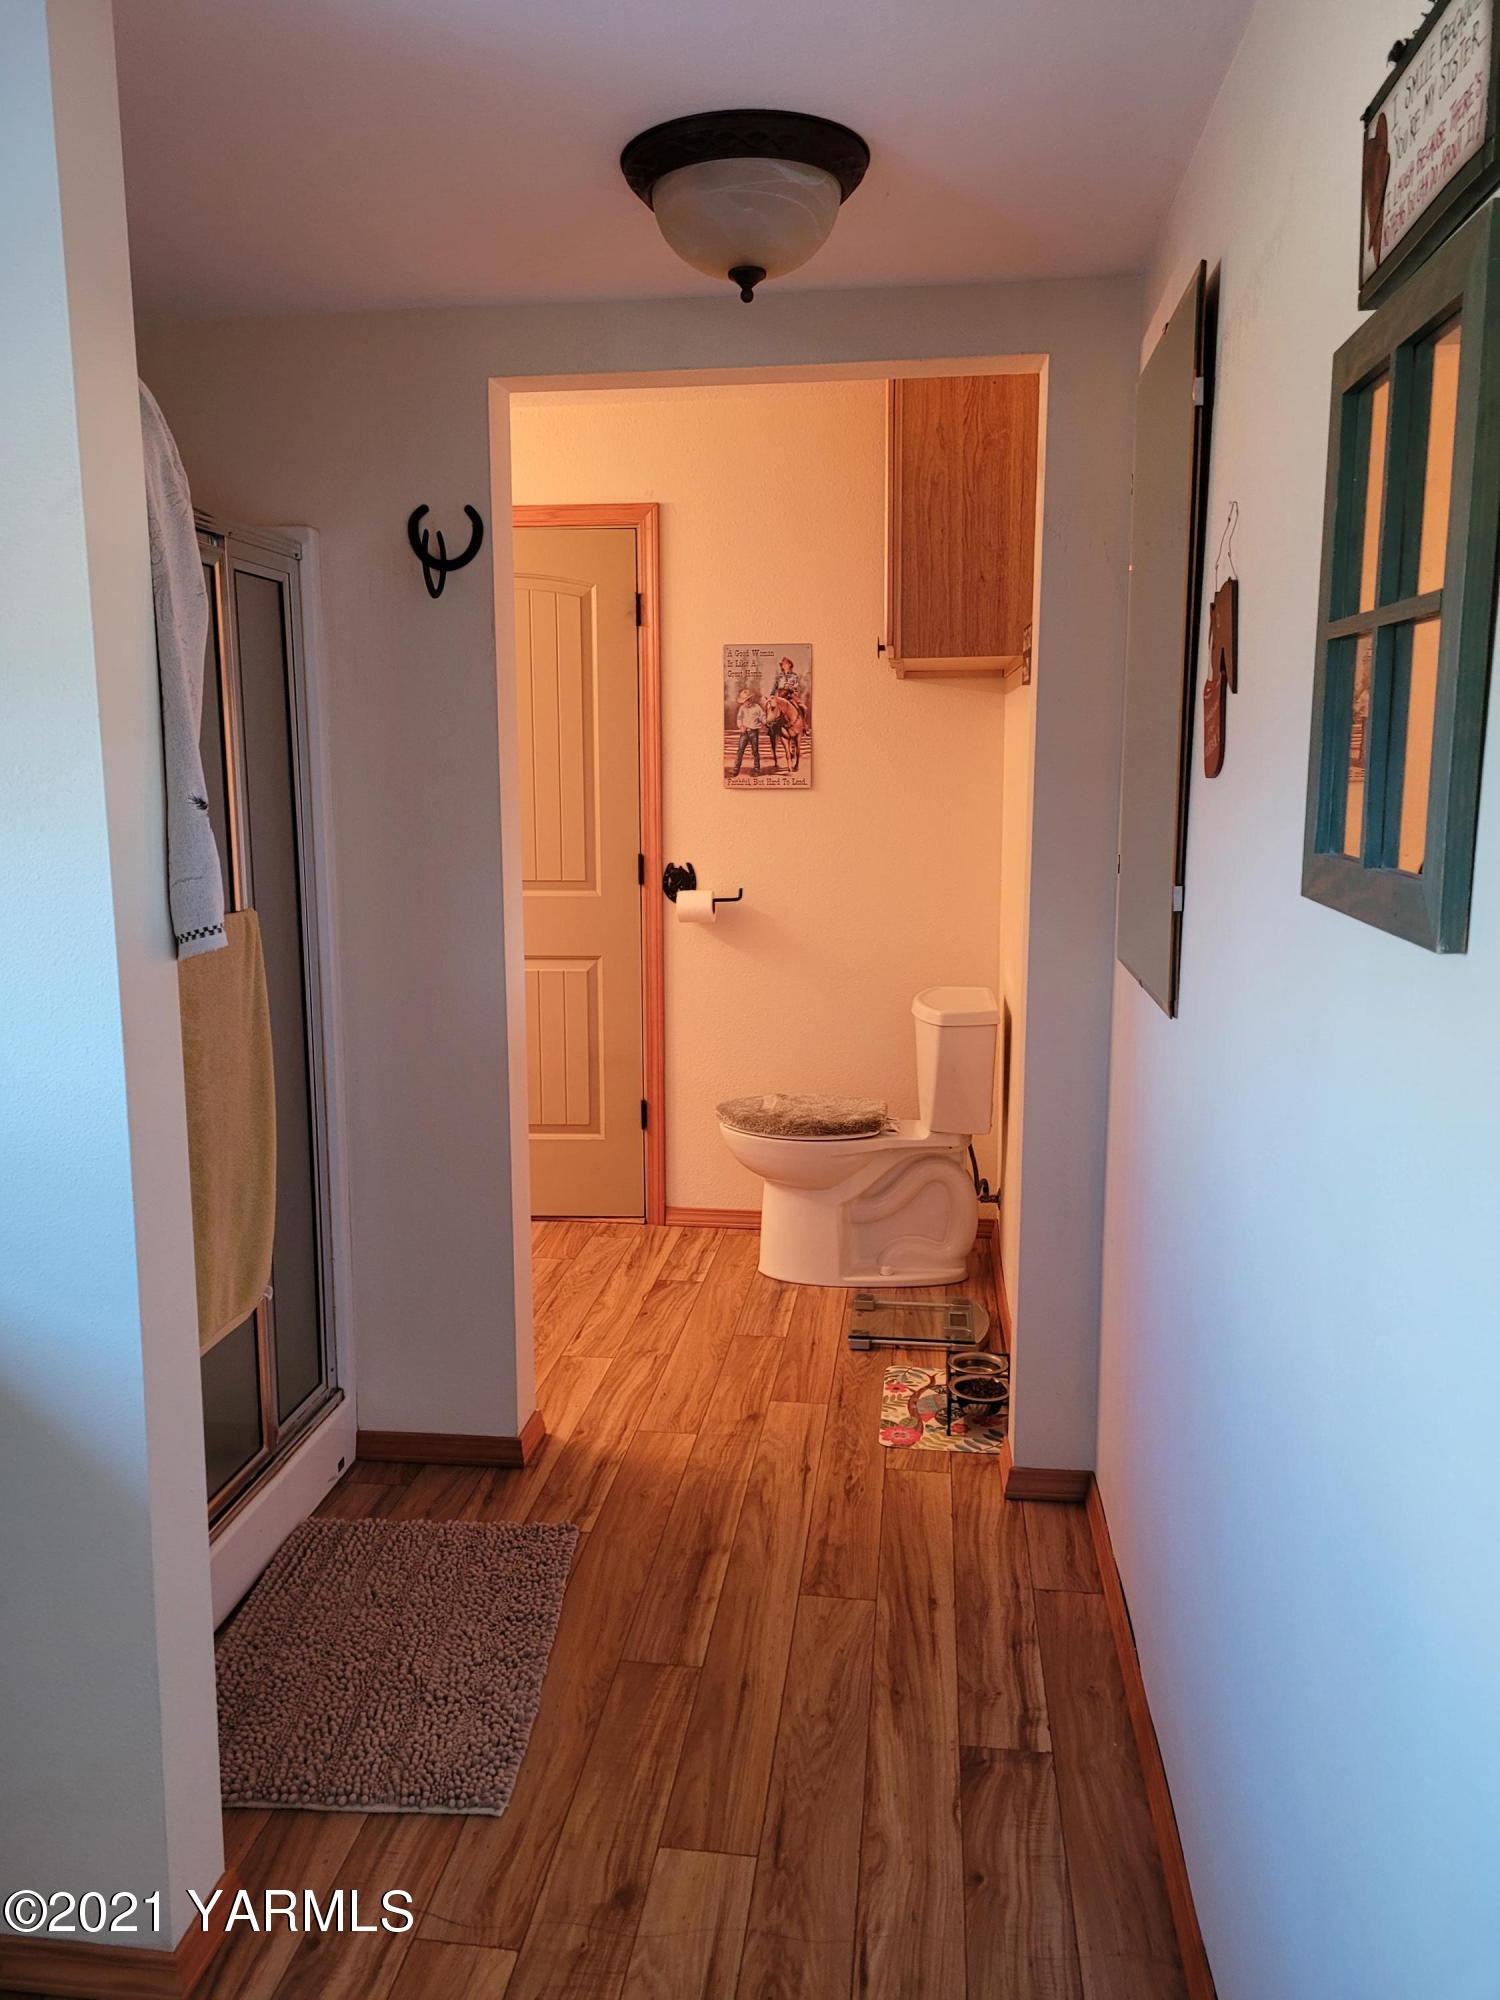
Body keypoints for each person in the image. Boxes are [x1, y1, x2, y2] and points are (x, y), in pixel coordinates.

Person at [732, 689, 766, 776]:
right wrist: (741, 726)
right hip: (744, 733)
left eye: (748, 700)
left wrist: (766, 721)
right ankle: (736, 769)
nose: (746, 702)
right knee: (740, 751)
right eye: (745, 701)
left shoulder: (757, 707)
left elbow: (762, 717)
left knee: (755, 751)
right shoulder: (742, 708)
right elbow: (739, 719)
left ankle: (757, 769)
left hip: (754, 732)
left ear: (751, 699)